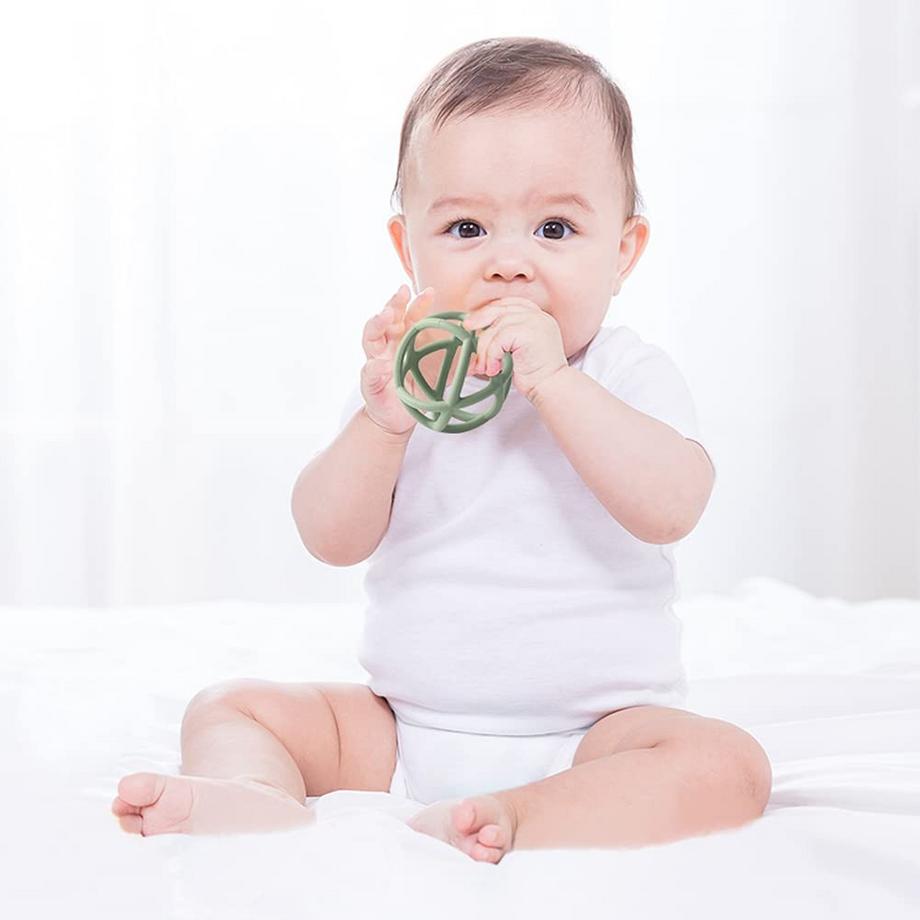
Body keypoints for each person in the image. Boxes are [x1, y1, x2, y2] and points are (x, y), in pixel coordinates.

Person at [112, 36, 771, 864]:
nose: (507, 264)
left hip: (593, 733)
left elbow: (672, 507)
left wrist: (553, 386)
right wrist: (381, 421)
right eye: (466, 227)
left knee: (729, 767)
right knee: (227, 706)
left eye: (555, 228)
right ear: (407, 252)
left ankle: (529, 813)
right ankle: (254, 796)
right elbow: (329, 537)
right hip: (402, 729)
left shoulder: (625, 373)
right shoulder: (410, 383)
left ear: (623, 253)